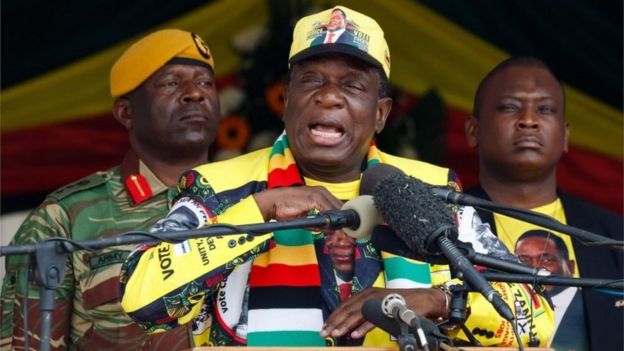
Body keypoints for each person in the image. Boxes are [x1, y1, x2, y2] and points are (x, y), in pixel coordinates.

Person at [119, 7, 553, 348]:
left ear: (381, 114)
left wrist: (433, 303)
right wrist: (260, 209)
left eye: (352, 85)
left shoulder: (433, 191)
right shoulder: (219, 187)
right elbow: (140, 296)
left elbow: (536, 318)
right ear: (287, 102)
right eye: (312, 81)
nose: (328, 96)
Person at [0, 29, 221, 350]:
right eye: (171, 83)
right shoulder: (64, 218)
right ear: (125, 113)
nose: (195, 94)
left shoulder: (255, 194)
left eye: (205, 83)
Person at [464, 56, 624, 351]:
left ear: (565, 135)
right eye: (510, 107)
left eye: (545, 109)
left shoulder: (614, 238)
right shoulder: (444, 227)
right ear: (473, 131)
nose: (529, 120)